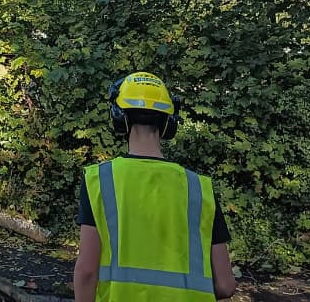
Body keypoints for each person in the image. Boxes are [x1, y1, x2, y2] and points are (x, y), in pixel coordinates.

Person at [73, 72, 238, 301]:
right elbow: (226, 285)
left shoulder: (100, 180)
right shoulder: (199, 188)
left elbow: (86, 273)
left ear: (120, 119)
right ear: (168, 123)